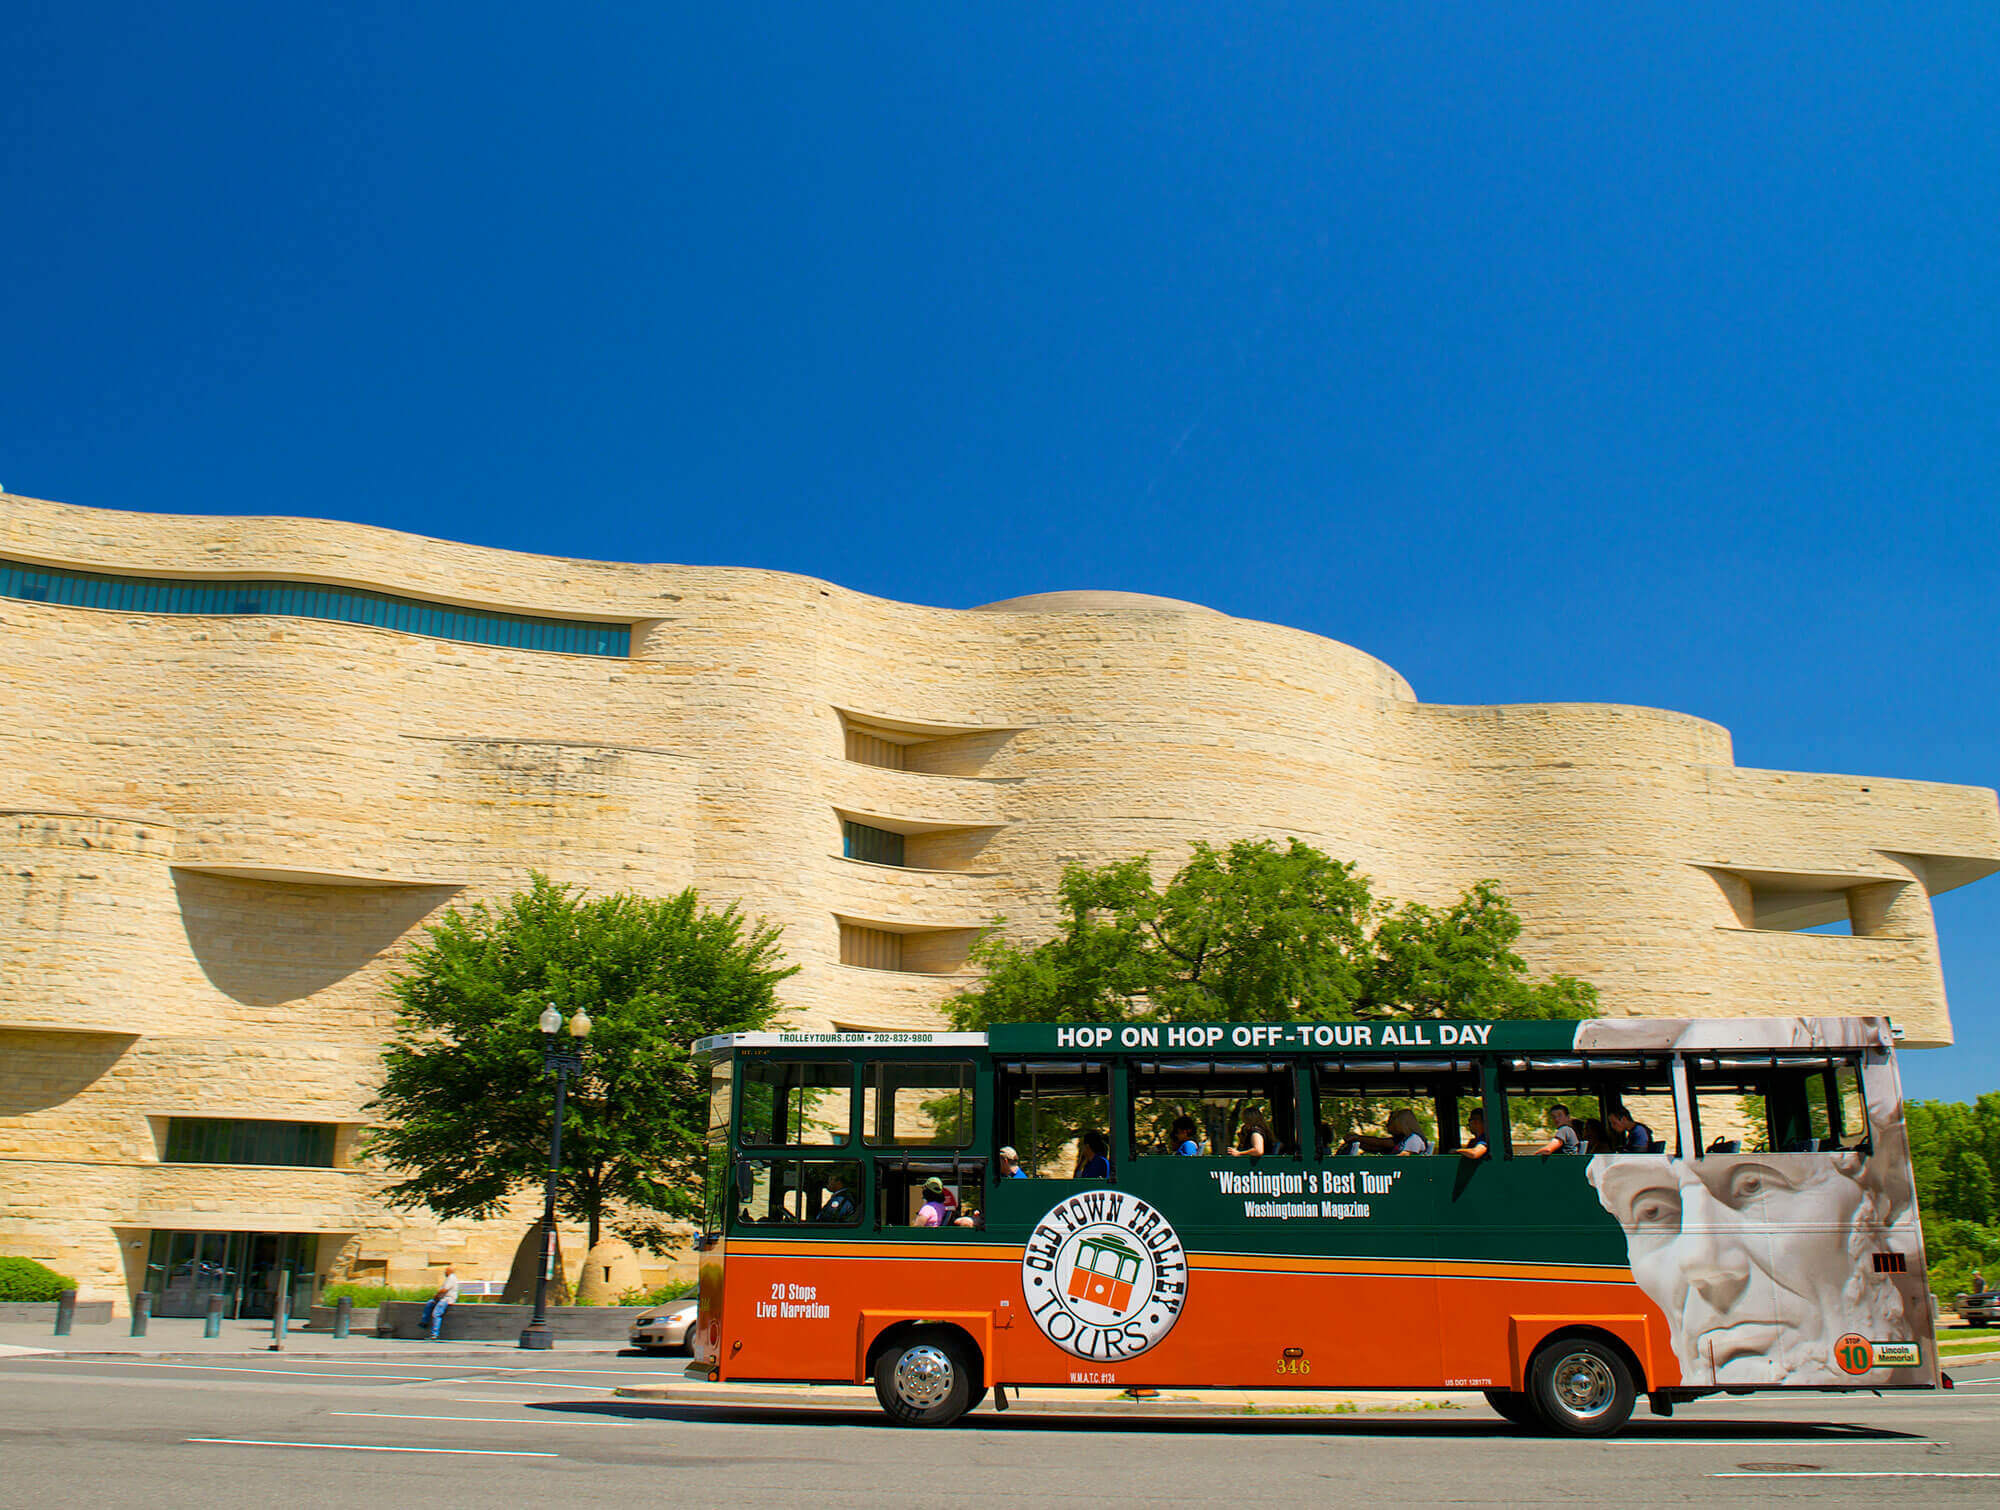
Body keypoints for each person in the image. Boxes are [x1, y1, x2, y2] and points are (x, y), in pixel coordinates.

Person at [420, 1264, 460, 1341]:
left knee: (436, 1314)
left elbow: (444, 1290)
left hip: (447, 1299)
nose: (444, 1272)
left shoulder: (451, 1278)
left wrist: (437, 1295)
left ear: (449, 1271)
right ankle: (424, 1322)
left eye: (446, 1271)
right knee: (429, 1303)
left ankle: (434, 1334)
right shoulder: (449, 1278)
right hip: (442, 1298)